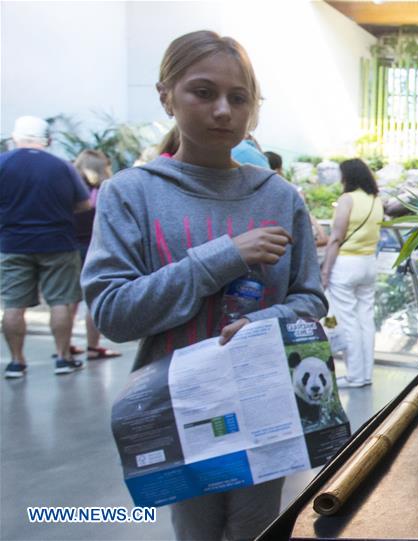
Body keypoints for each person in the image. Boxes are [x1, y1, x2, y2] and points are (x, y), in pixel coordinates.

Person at [80, 30, 326, 540]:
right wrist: (223, 257)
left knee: (259, 528)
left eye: (238, 98)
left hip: (268, 406)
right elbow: (113, 313)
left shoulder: (280, 197)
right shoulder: (131, 194)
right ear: (166, 95)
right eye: (202, 92)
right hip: (177, 412)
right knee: (196, 531)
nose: (222, 111)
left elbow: (309, 301)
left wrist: (265, 321)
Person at [1, 116, 91, 378]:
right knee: (60, 302)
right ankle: (62, 358)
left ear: (15, 137)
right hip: (58, 243)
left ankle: (16, 362)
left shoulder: (2, 163)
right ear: (48, 140)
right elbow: (84, 204)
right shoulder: (62, 167)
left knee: (14, 305)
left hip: (13, 244)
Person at [320, 159, 384, 388]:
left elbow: (336, 237)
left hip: (346, 265)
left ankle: (355, 376)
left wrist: (325, 271)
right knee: (366, 319)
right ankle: (366, 374)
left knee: (347, 321)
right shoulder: (376, 199)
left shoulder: (347, 199)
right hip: (368, 264)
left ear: (348, 176)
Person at [71, 150, 120, 360]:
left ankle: (64, 348)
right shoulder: (106, 190)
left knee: (66, 300)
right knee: (94, 299)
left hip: (71, 246)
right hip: (94, 247)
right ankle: (92, 346)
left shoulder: (71, 187)